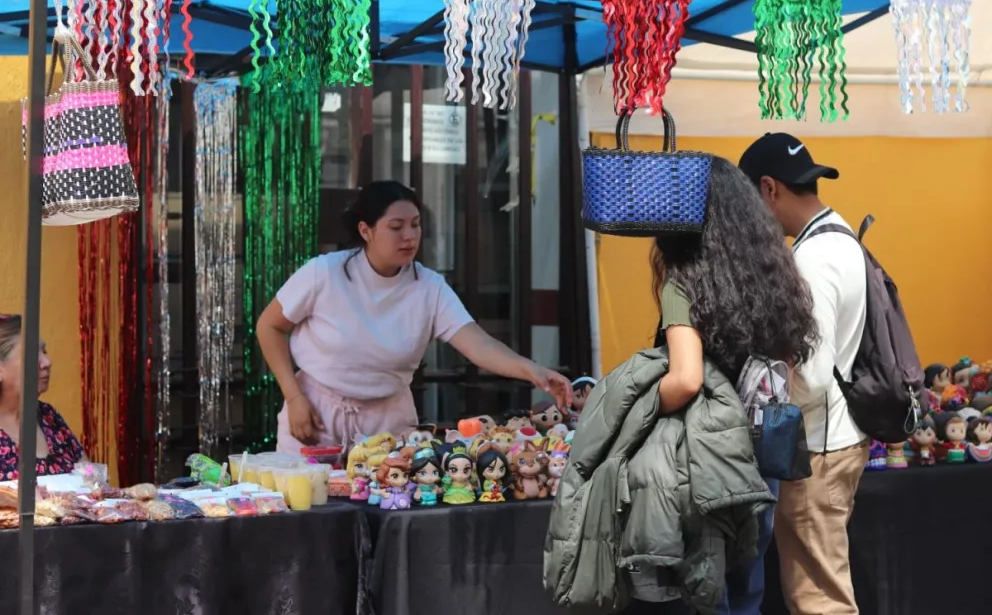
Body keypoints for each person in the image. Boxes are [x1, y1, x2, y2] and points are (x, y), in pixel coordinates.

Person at [256, 181, 572, 452]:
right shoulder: (324, 273)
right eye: (396, 227)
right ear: (365, 230)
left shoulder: (429, 288)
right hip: (315, 413)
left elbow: (478, 344)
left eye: (416, 224)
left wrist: (533, 372)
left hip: (388, 422)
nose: (409, 236)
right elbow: (269, 327)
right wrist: (294, 395)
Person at [648, 156, 818, 614]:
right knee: (748, 586)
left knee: (708, 590)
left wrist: (640, 405)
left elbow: (684, 379)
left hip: (706, 460)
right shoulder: (775, 274)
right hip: (763, 454)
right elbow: (786, 368)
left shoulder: (684, 284)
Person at [739, 132, 869, 615]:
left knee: (819, 600)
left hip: (816, 450)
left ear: (769, 188)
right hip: (841, 438)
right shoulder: (841, 234)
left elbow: (811, 379)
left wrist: (757, 400)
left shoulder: (810, 260)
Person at [0, 314, 85, 481]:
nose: (47, 362)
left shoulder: (49, 416)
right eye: (32, 354)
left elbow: (90, 480)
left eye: (44, 351)